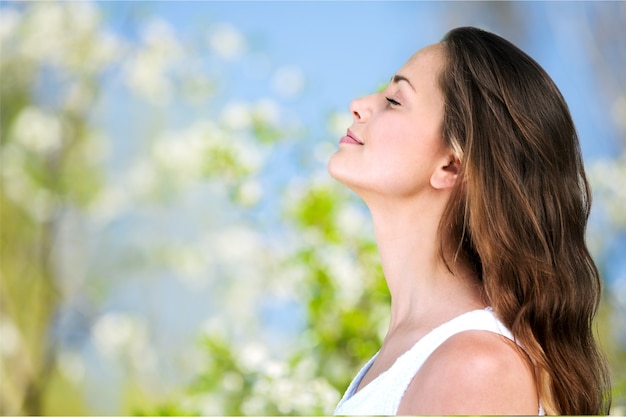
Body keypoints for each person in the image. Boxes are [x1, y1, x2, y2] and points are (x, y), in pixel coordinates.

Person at [328, 26, 611, 415]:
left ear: (451, 164)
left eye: (394, 100)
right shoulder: (413, 356)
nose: (359, 105)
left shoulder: (476, 368)